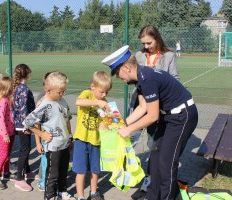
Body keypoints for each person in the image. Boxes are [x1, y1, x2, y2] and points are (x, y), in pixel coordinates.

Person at [102, 45, 198, 200]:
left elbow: (152, 116)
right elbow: (142, 107)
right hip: (170, 117)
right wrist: (122, 124)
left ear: (126, 67)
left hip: (183, 116)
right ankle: (152, 196)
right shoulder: (141, 77)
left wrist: (129, 129)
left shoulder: (147, 79)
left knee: (167, 163)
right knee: (155, 156)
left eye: (117, 73)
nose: (118, 77)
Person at [134, 25, 179, 192]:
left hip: (160, 107)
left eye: (149, 42)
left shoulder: (168, 56)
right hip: (140, 103)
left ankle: (151, 180)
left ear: (157, 39)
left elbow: (175, 79)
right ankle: (129, 174)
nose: (146, 47)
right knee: (130, 138)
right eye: (144, 43)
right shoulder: (138, 56)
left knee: (154, 144)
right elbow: (133, 77)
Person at [23, 71, 75, 200]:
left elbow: (67, 120)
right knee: (53, 174)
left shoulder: (62, 101)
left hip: (64, 143)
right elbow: (27, 123)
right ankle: (50, 196)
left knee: (63, 171)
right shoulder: (44, 105)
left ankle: (62, 192)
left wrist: (70, 138)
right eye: (59, 92)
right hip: (53, 147)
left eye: (63, 91)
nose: (62, 94)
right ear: (48, 89)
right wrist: (41, 135)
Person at [72, 71, 112, 200]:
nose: (104, 95)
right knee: (81, 170)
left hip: (96, 141)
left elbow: (103, 123)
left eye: (106, 92)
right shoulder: (87, 94)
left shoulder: (104, 102)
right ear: (93, 86)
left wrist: (107, 125)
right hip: (81, 140)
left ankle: (94, 193)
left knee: (95, 170)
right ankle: (80, 196)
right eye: (102, 92)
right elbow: (78, 102)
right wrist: (96, 102)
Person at [12, 64, 36, 192]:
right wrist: (26, 125)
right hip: (23, 125)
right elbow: (23, 109)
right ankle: (19, 178)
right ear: (28, 73)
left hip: (20, 123)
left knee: (25, 148)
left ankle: (27, 171)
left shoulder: (19, 87)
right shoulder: (23, 89)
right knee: (25, 150)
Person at [0, 77, 15, 190]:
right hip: (4, 133)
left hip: (10, 131)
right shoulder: (3, 101)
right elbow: (1, 119)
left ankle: (6, 172)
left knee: (8, 154)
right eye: (12, 86)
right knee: (3, 155)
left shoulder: (8, 99)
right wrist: (5, 134)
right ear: (7, 88)